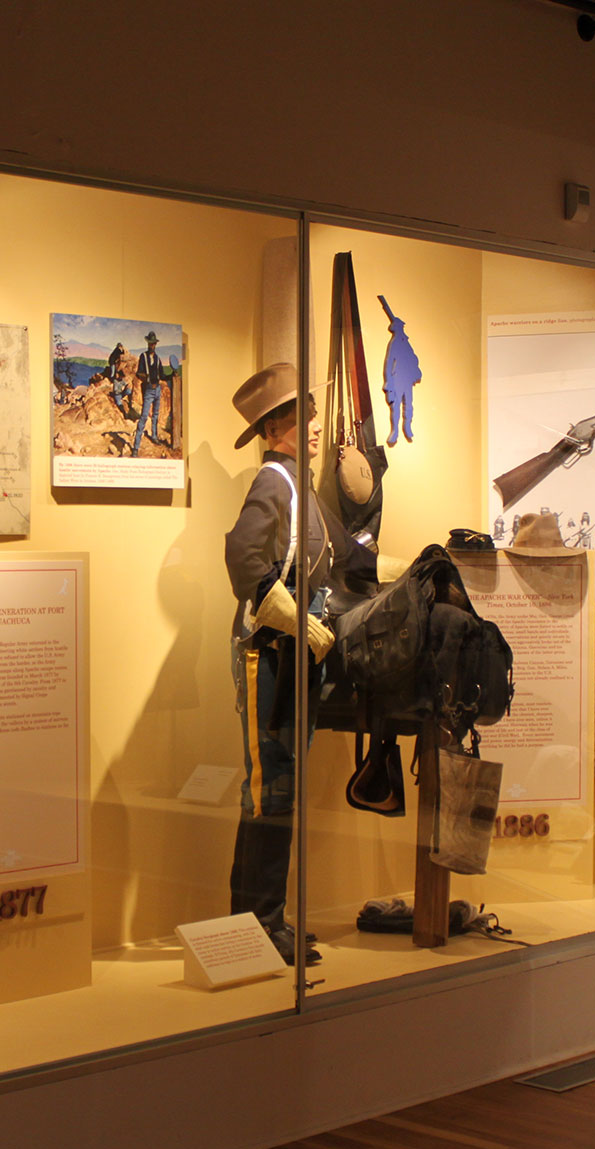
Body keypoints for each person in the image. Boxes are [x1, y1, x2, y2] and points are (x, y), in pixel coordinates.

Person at [223, 363, 361, 967]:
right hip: (268, 657)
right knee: (267, 794)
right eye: (299, 414)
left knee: (280, 793)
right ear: (274, 426)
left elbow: (349, 557)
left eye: (308, 411)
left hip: (295, 661)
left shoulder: (300, 487)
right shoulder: (273, 484)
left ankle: (267, 920)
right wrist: (296, 621)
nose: (311, 423)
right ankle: (257, 925)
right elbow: (244, 562)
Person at [379, 295, 422, 445]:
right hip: (397, 380)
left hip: (407, 380)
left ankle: (407, 427)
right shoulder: (395, 343)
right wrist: (389, 382)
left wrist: (416, 370)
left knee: (408, 405)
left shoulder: (406, 343)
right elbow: (389, 363)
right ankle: (395, 431)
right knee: (396, 407)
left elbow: (413, 358)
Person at [132, 331, 170, 456]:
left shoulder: (158, 359)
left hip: (157, 389)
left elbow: (162, 375)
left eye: (153, 344)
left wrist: (171, 376)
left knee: (156, 414)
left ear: (155, 344)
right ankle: (136, 447)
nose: (152, 346)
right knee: (144, 416)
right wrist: (146, 378)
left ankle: (154, 436)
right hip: (149, 389)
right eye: (150, 343)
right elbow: (139, 373)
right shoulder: (143, 357)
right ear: (148, 344)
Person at [106, 341, 131, 416]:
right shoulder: (117, 350)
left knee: (127, 391)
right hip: (117, 394)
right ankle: (123, 412)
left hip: (119, 394)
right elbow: (120, 354)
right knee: (112, 372)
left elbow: (126, 385)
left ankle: (124, 409)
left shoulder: (120, 381)